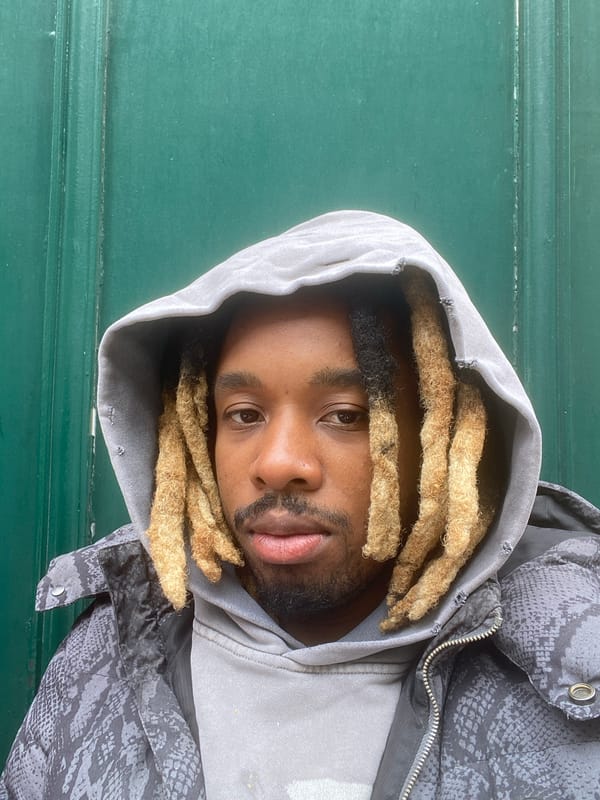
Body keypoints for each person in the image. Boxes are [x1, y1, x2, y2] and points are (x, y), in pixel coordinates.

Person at [2, 210, 600, 799]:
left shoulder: (575, 663)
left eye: (345, 415)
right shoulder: (105, 650)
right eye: (243, 415)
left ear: (448, 438)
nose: (279, 463)